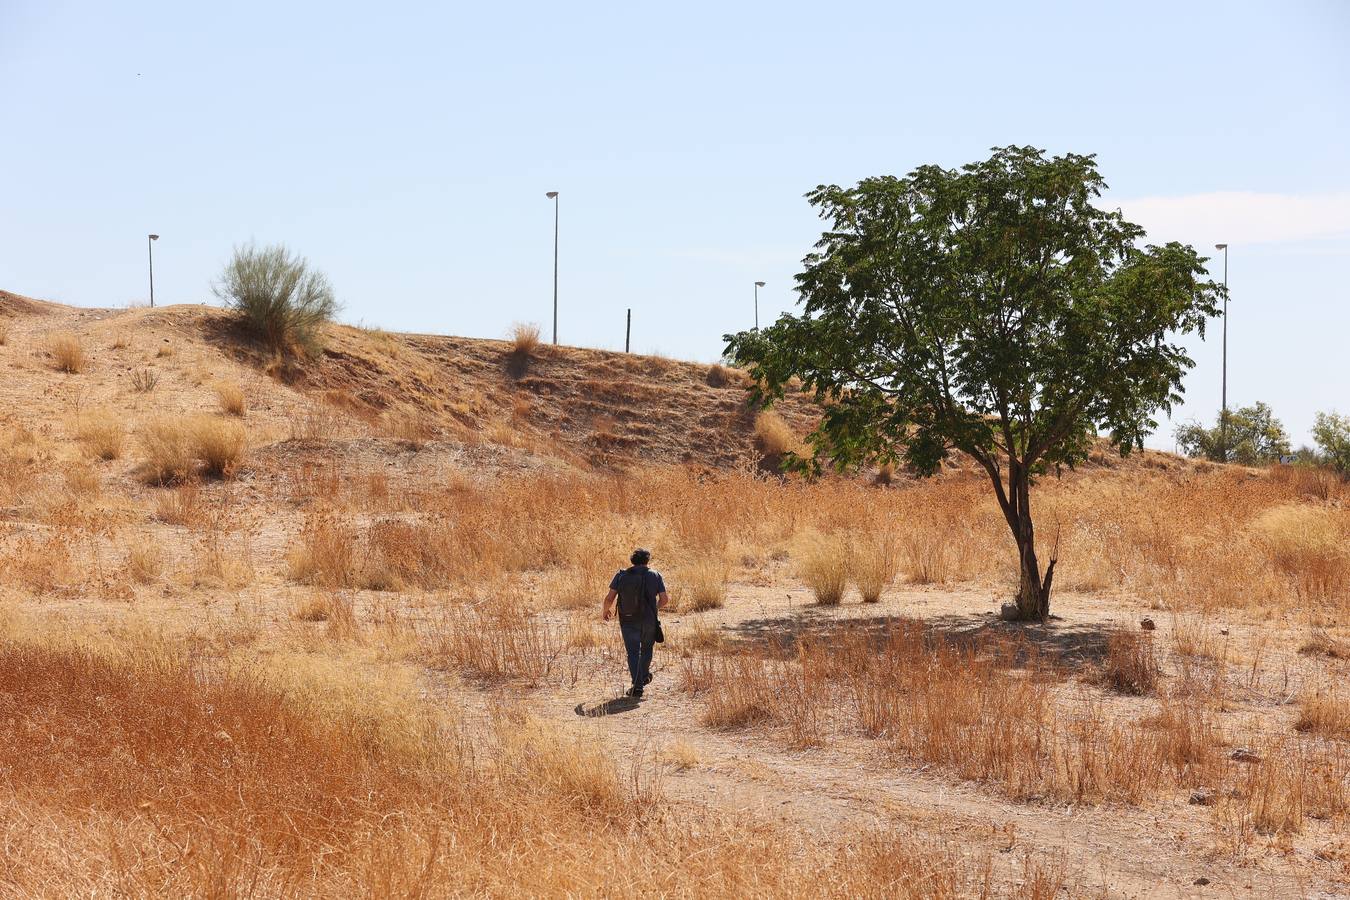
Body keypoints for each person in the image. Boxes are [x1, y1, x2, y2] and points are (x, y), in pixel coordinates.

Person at [602, 548, 669, 698]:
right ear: (647, 560)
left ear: (632, 560)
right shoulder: (655, 575)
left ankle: (637, 686)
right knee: (647, 649)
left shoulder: (621, 575)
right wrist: (653, 609)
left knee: (632, 653)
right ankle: (643, 675)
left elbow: (609, 598)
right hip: (649, 620)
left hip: (628, 619)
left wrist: (605, 611)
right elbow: (664, 600)